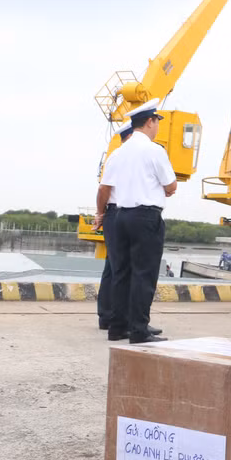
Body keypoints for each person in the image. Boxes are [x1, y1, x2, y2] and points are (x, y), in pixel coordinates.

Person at [98, 98, 176, 343]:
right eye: (157, 122)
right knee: (144, 275)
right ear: (150, 122)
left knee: (122, 274)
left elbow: (105, 186)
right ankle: (139, 330)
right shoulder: (154, 150)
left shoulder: (118, 153)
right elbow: (171, 186)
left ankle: (118, 328)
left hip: (120, 216)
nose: (157, 127)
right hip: (146, 216)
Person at [94, 121, 134, 330]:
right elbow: (104, 189)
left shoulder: (117, 156)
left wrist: (101, 214)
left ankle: (107, 315)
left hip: (114, 213)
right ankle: (117, 318)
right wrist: (101, 213)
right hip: (120, 212)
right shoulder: (123, 157)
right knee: (121, 269)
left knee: (113, 267)